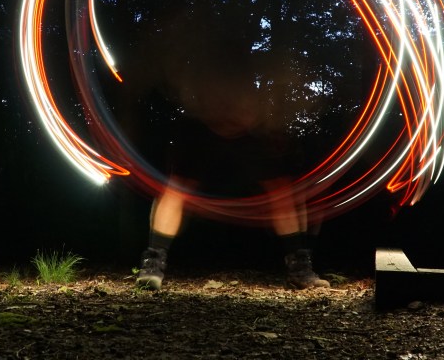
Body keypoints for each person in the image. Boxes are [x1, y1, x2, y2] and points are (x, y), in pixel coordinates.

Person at [134, 54, 330, 291]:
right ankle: (153, 263)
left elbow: (256, 106)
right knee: (177, 188)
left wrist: (264, 127)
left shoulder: (245, 65)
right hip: (205, 126)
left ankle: (299, 269)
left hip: (246, 131)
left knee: (281, 190)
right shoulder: (203, 55)